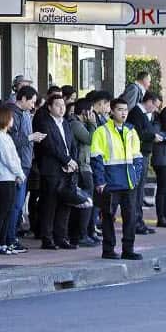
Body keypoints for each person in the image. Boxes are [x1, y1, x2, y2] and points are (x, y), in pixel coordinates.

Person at [91, 98, 144, 260]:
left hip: (128, 182)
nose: (123, 113)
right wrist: (100, 181)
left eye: (125, 110)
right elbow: (96, 158)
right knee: (108, 217)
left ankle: (128, 249)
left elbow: (138, 157)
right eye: (120, 110)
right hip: (110, 182)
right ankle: (108, 249)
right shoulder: (101, 131)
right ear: (112, 111)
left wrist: (136, 176)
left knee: (130, 218)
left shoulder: (131, 131)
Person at [33, 95, 78, 250]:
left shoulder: (65, 123)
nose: (61, 108)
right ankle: (47, 238)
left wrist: (72, 161)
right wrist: (66, 161)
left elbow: (72, 144)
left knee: (65, 204)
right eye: (57, 105)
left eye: (63, 105)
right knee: (50, 205)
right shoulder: (45, 123)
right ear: (50, 107)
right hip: (52, 170)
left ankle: (61, 237)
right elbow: (50, 146)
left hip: (67, 169)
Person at [4, 86, 45, 253]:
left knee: (19, 205)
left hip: (26, 163)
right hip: (18, 164)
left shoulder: (26, 114)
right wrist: (31, 137)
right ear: (22, 99)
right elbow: (12, 140)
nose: (33, 105)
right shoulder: (13, 114)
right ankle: (10, 238)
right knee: (16, 204)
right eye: (32, 102)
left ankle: (12, 237)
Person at [0, 106, 26, 255]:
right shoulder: (1, 138)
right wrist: (20, 173)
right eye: (10, 117)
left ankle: (2, 242)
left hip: (9, 178)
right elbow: (9, 160)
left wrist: (17, 173)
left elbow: (13, 159)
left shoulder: (5, 137)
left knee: (7, 211)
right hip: (3, 179)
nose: (12, 120)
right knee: (2, 212)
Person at [127, 91, 162, 236]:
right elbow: (138, 133)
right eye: (155, 105)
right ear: (149, 101)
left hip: (144, 153)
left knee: (140, 190)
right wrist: (153, 136)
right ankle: (135, 222)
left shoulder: (143, 115)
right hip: (138, 155)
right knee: (137, 190)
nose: (155, 109)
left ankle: (139, 221)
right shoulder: (136, 113)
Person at [66, 100, 99, 247]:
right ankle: (81, 234)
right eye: (91, 111)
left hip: (85, 166)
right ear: (85, 112)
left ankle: (86, 232)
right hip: (81, 167)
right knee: (86, 201)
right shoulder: (75, 124)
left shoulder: (80, 124)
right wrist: (93, 124)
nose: (93, 115)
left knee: (87, 202)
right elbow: (92, 139)